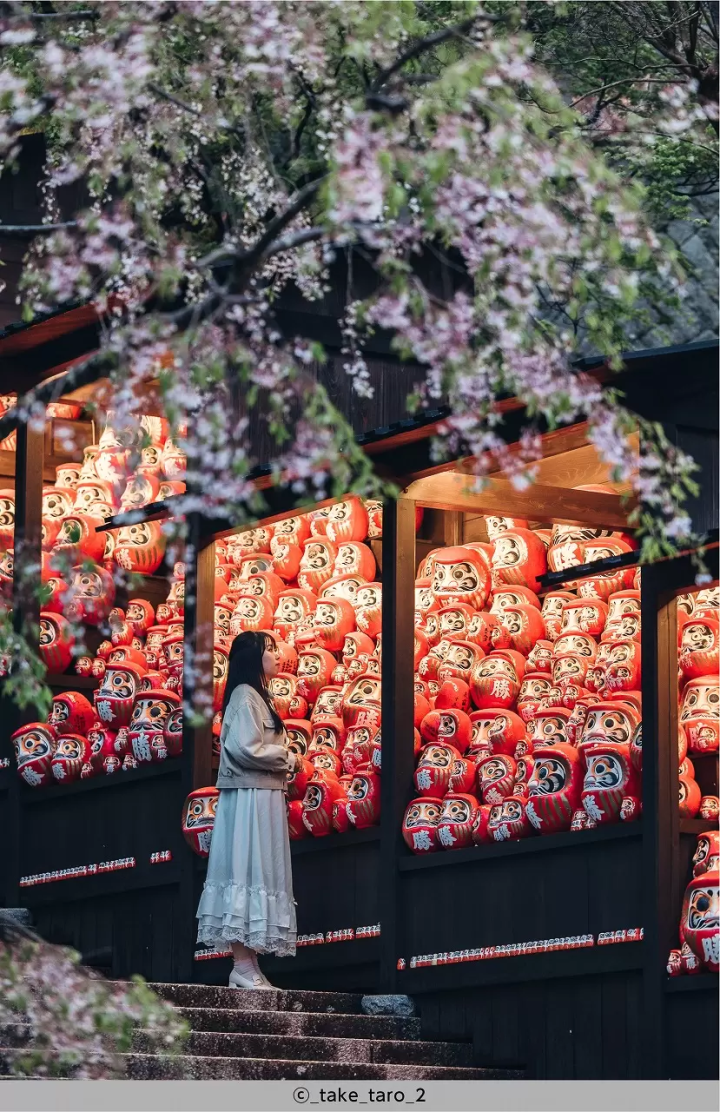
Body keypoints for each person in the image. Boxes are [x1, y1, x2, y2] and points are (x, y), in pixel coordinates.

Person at [196, 629, 299, 989]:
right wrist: (288, 757)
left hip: (263, 793)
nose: (276, 653)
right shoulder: (245, 696)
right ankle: (241, 964)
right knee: (244, 873)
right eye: (269, 648)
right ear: (253, 658)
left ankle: (248, 963)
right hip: (249, 795)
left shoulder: (256, 696)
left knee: (256, 874)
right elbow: (245, 747)